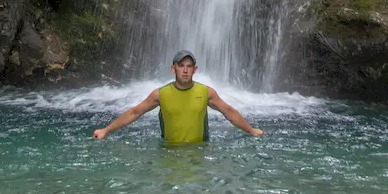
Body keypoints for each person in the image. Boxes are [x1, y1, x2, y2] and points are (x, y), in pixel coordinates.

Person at [93, 50, 264, 143]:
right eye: (181, 66)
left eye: (189, 66)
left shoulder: (206, 92)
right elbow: (135, 112)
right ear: (173, 69)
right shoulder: (161, 94)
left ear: (194, 70)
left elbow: (229, 111)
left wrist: (252, 131)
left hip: (200, 154)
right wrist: (105, 130)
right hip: (169, 154)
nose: (185, 70)